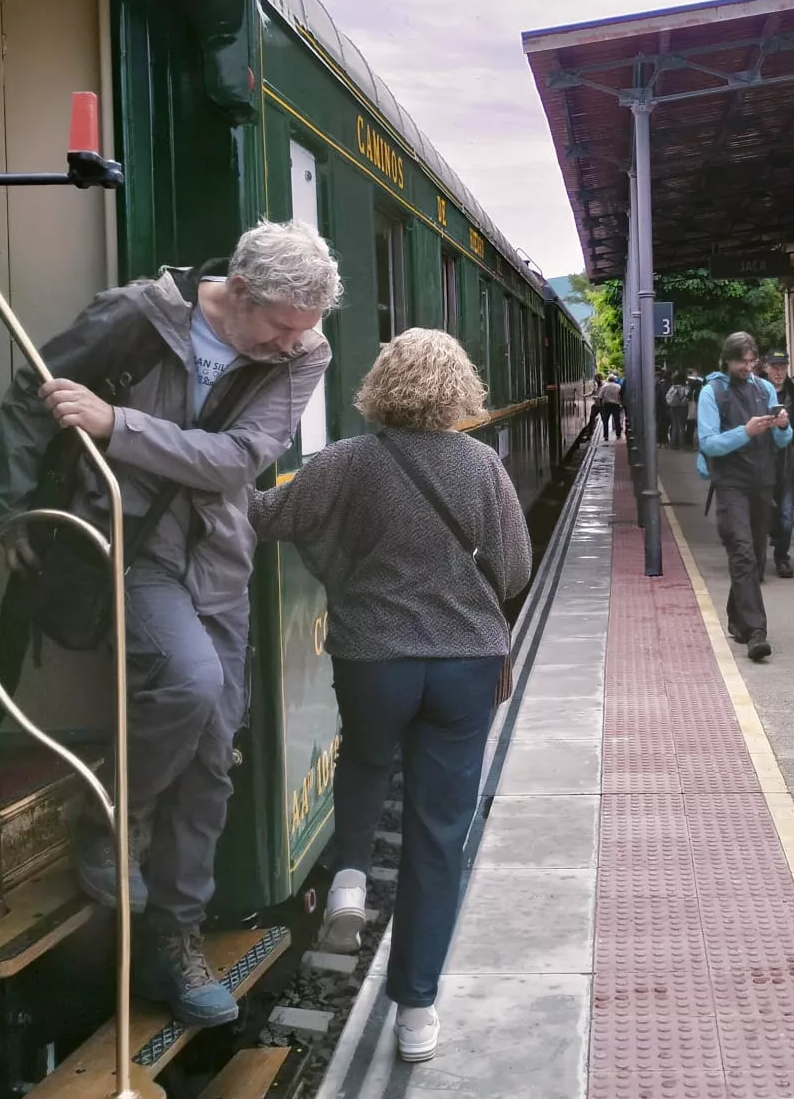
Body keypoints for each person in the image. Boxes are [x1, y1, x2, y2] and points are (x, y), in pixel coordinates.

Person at [0, 220, 337, 1026]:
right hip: (126, 544)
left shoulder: (305, 348)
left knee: (215, 750)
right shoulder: (135, 315)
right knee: (188, 682)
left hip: (216, 558)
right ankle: (110, 813)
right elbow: (28, 396)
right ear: (239, 294)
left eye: (306, 331)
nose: (295, 347)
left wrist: (119, 425)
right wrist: (14, 513)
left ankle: (173, 942)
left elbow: (236, 461)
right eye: (282, 328)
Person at [250, 329, 530, 1065]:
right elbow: (514, 569)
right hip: (466, 665)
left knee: (367, 760)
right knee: (439, 838)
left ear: (383, 382)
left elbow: (264, 519)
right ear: (459, 388)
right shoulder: (483, 466)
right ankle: (417, 1013)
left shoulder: (346, 462)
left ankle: (347, 882)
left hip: (374, 659)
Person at [696, 331, 793, 662]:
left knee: (755, 555)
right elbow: (708, 442)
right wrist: (745, 431)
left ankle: (738, 620)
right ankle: (756, 632)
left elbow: (783, 442)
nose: (748, 367)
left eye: (752, 361)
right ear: (728, 359)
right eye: (742, 361)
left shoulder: (764, 389)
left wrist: (782, 426)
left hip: (762, 481)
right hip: (730, 484)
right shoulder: (712, 393)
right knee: (742, 553)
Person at [764, 351, 794, 576]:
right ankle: (756, 558)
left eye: (782, 367)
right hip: (760, 466)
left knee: (786, 518)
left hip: (788, 466)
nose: (779, 372)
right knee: (764, 514)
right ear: (766, 368)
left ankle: (782, 558)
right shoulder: (755, 395)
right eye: (775, 367)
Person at [665, 371, 690, 449]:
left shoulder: (673, 387)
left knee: (674, 426)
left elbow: (667, 396)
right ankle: (681, 445)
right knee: (681, 427)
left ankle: (672, 444)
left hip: (673, 407)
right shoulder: (685, 387)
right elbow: (687, 397)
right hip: (682, 408)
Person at [597, 372, 624, 440]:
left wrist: (601, 406)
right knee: (617, 420)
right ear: (614, 380)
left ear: (608, 379)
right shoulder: (618, 386)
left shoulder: (604, 387)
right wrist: (621, 403)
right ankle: (618, 435)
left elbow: (600, 397)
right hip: (616, 405)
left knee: (605, 421)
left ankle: (606, 436)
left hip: (606, 405)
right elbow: (621, 396)